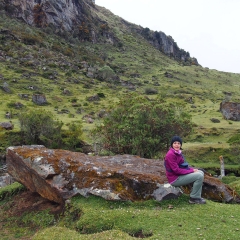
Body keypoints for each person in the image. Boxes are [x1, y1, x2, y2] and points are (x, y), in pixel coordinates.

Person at [164, 136, 206, 204]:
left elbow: (183, 166)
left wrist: (193, 169)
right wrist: (191, 171)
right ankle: (194, 198)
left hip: (178, 176)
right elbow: (176, 170)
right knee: (199, 176)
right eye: (175, 143)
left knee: (200, 172)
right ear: (172, 144)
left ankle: (196, 195)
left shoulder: (178, 153)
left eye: (178, 143)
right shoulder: (170, 154)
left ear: (181, 145)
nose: (177, 145)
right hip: (175, 179)